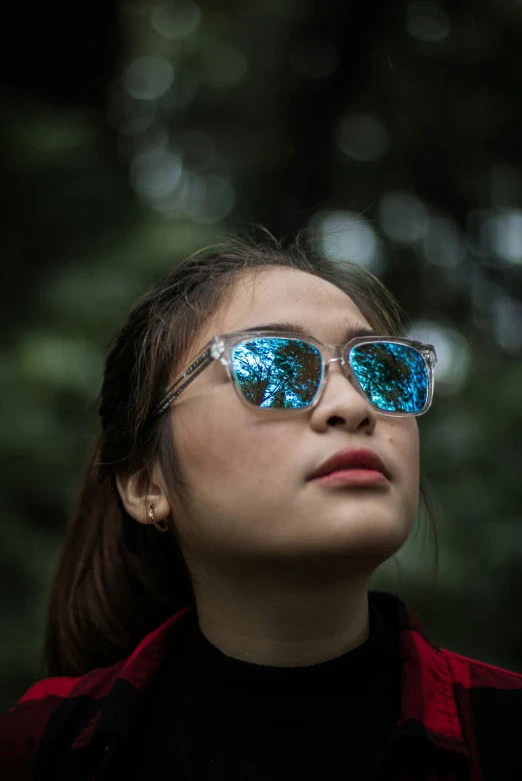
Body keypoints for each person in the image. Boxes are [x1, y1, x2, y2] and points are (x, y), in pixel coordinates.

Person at [1, 233, 521, 781]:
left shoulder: (504, 730)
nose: (352, 405)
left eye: (380, 369)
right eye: (274, 367)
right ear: (145, 483)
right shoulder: (36, 750)